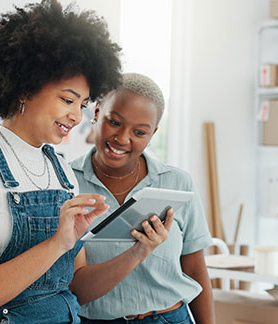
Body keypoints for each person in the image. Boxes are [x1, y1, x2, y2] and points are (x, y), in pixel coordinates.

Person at [0, 2, 173, 324]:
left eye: (83, 104)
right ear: (25, 86)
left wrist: (139, 252)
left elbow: (75, 287)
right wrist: (56, 244)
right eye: (67, 99)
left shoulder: (60, 171)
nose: (77, 115)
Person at [70, 73, 215, 323]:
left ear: (152, 134)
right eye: (114, 122)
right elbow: (75, 290)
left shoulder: (177, 183)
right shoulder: (67, 183)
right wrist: (140, 250)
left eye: (139, 132)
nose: (122, 138)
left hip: (170, 317)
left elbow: (194, 268)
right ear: (96, 113)